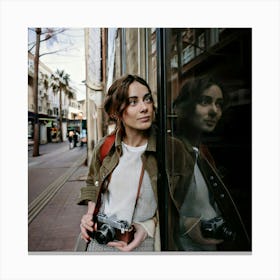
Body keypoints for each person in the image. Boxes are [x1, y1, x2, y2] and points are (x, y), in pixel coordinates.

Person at [77, 74, 161, 252]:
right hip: (101, 241)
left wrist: (149, 226)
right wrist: (89, 215)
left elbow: (182, 204)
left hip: (142, 244)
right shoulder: (106, 146)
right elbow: (93, 182)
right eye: (133, 102)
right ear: (117, 112)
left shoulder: (168, 149)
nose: (144, 107)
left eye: (147, 99)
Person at [170, 75, 251, 251]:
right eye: (205, 102)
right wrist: (185, 224)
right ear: (181, 109)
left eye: (219, 104)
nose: (214, 111)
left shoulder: (203, 152)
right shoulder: (173, 152)